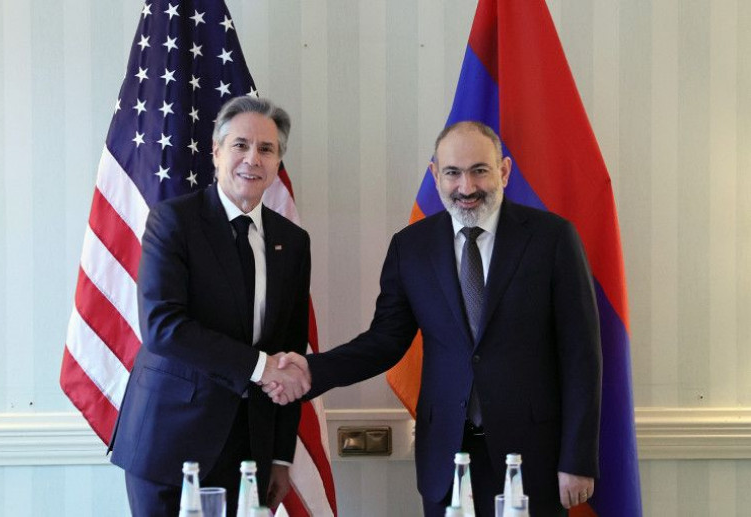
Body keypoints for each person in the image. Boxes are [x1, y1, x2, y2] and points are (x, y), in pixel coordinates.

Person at [269, 121, 602, 516]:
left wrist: (577, 459)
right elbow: (385, 341)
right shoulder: (411, 246)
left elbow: (582, 356)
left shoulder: (552, 239)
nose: (466, 187)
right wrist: (313, 370)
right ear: (435, 174)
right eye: (453, 172)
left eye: (480, 170)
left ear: (504, 171)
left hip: (532, 457)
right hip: (447, 454)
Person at [108, 96, 312, 516]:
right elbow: (163, 327)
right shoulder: (173, 221)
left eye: (266, 149)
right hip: (170, 444)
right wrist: (259, 367)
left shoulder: (292, 242)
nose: (252, 159)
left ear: (277, 163)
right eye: (240, 145)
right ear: (216, 152)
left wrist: (280, 455)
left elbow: (290, 350)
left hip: (249, 453)